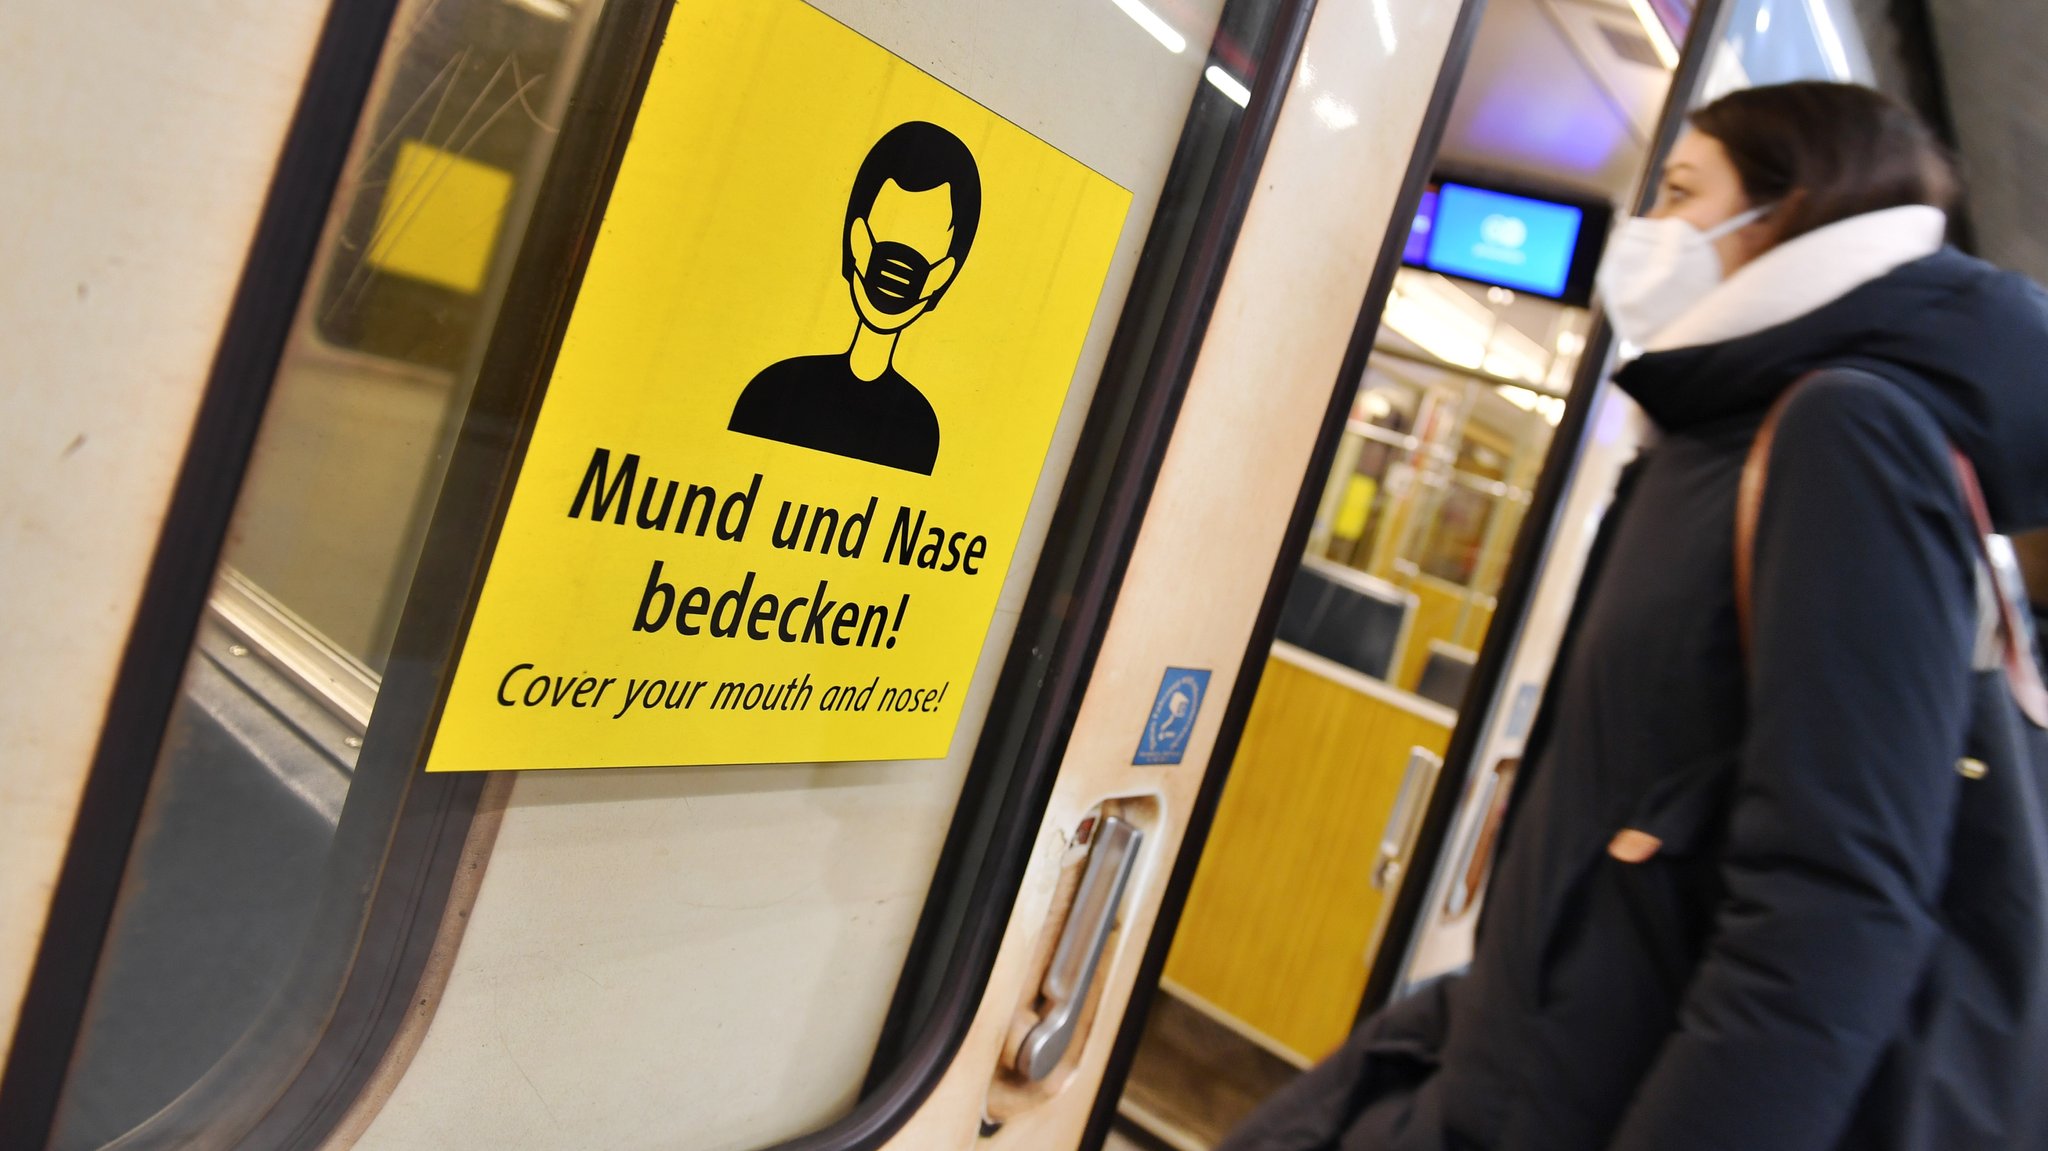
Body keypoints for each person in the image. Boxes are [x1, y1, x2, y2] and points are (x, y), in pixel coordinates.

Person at [1221, 81, 2048, 1151]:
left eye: (1680, 190)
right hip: (1521, 1080)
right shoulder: (1718, 436)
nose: (1648, 228)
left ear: (1788, 212)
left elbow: (1830, 903)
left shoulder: (1841, 437)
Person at [728, 119, 980, 476]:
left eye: (919, 259)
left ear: (943, 276)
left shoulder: (919, 428)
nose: (894, 275)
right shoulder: (775, 390)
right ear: (854, 239)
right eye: (879, 241)